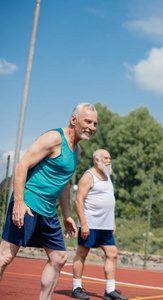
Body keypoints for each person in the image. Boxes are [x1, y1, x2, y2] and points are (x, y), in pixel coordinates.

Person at [0, 103, 97, 300]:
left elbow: (64, 183)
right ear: (73, 120)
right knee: (5, 256)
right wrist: (18, 202)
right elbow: (21, 166)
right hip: (28, 203)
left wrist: (67, 215)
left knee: (59, 258)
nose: (92, 127)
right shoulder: (54, 138)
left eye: (95, 123)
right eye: (87, 121)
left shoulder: (76, 150)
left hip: (48, 211)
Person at [70, 149, 127, 300]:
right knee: (82, 254)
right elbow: (78, 201)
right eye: (106, 158)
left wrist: (112, 221)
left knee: (112, 253)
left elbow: (110, 201)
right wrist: (83, 223)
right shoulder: (88, 176)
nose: (109, 160)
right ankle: (76, 288)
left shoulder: (107, 176)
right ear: (96, 160)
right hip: (90, 223)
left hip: (105, 226)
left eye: (109, 157)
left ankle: (110, 290)